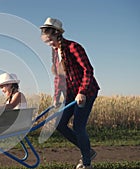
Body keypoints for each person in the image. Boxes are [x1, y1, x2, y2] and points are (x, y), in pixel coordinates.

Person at [40, 17, 100, 169]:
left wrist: (83, 92)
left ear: (57, 34)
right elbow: (58, 77)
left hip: (86, 92)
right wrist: (56, 98)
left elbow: (88, 70)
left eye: (51, 40)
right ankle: (87, 151)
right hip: (71, 93)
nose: (50, 44)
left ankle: (86, 163)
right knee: (60, 124)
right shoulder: (55, 54)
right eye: (47, 42)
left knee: (79, 126)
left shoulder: (74, 47)